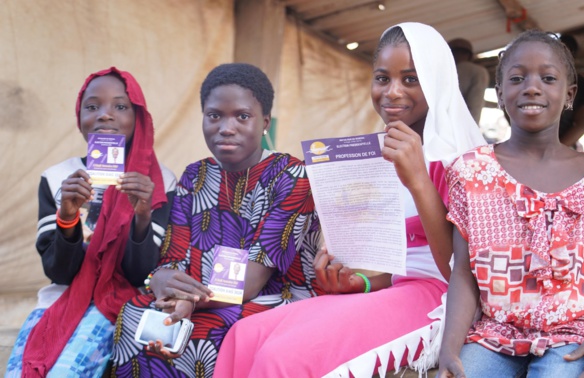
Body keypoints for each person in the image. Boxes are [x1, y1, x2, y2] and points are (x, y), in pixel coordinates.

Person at [214, 22, 485, 377]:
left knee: (283, 358)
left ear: (437, 82)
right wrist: (362, 281)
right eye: (382, 78)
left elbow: (458, 271)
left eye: (410, 79)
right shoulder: (377, 152)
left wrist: (418, 178)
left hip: (441, 301)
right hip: (393, 291)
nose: (392, 92)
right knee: (244, 336)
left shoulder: (465, 162)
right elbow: (399, 266)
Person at [438, 30, 584, 378]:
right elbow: (463, 273)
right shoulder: (472, 173)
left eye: (548, 78)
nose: (531, 87)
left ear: (570, 94)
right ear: (500, 93)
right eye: (517, 78)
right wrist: (450, 349)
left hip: (578, 337)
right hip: (495, 336)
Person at [109, 63, 321, 377]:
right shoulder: (195, 175)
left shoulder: (292, 175)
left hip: (272, 296)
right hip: (198, 293)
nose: (226, 127)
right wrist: (160, 282)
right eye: (214, 115)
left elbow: (253, 280)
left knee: (209, 330)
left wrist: (188, 300)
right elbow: (173, 256)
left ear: (264, 123)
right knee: (135, 312)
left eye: (242, 116)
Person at [7, 67, 177, 377]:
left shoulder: (159, 181)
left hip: (120, 301)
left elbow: (141, 273)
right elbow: (58, 272)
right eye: (92, 106)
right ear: (79, 116)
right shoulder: (58, 177)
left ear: (138, 117)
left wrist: (142, 214)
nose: (105, 115)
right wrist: (68, 217)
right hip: (59, 301)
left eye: (121, 106)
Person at [558, 34, 584, 149]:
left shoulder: (580, 84)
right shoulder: (539, 78)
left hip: (561, 147)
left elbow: (582, 124)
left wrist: (556, 151)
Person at [449, 38, 489, 124]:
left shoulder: (444, 71)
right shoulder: (479, 71)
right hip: (463, 126)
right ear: (469, 55)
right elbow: (475, 103)